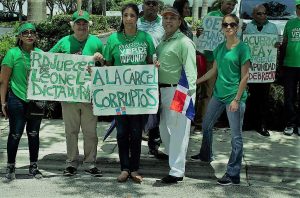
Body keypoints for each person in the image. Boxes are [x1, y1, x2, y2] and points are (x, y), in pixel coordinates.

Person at [192, 14, 251, 185]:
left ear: (237, 27)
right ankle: (205, 154)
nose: (229, 27)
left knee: (236, 137)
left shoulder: (242, 49)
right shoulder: (219, 48)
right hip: (218, 95)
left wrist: (237, 100)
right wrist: (196, 81)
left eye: (232, 24)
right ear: (222, 28)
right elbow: (213, 71)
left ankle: (233, 174)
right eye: (225, 25)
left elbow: (245, 76)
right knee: (206, 125)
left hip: (234, 97)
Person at [104, 3, 155, 183]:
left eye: (132, 15)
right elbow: (107, 66)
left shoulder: (145, 38)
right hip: (119, 96)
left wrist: (154, 66)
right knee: (121, 132)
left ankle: (134, 169)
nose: (128, 19)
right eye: (125, 15)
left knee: (136, 132)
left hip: (138, 97)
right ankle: (124, 168)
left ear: (137, 18)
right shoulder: (113, 40)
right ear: (122, 18)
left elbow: (151, 62)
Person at [49, 10, 104, 177]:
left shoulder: (96, 42)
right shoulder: (63, 42)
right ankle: (71, 162)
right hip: (69, 96)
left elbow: (106, 66)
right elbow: (48, 60)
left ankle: (90, 162)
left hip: (89, 95)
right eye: (78, 23)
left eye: (84, 23)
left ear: (89, 25)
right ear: (72, 25)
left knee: (90, 131)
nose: (81, 26)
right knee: (71, 131)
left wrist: (100, 60)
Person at [157, 7, 197, 184]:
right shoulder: (163, 41)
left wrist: (187, 97)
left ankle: (177, 171)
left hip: (179, 91)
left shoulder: (184, 42)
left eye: (172, 18)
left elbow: (190, 73)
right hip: (163, 91)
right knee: (164, 130)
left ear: (179, 22)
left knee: (179, 131)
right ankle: (173, 160)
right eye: (165, 18)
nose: (168, 21)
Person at [1, 23, 44, 179]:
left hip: (36, 101)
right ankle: (10, 167)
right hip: (16, 100)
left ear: (36, 36)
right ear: (19, 36)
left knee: (34, 134)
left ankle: (33, 167)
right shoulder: (12, 54)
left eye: (32, 32)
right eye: (25, 33)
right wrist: (3, 102)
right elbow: (3, 81)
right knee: (15, 134)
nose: (29, 35)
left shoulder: (40, 54)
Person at [193, 0, 238, 136]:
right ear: (222, 3)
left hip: (227, 62)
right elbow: (203, 39)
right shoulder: (211, 17)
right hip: (211, 61)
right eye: (228, 4)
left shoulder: (234, 20)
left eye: (233, 5)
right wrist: (200, 33)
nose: (230, 7)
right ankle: (201, 123)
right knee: (207, 92)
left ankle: (217, 121)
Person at [243, 4, 279, 136]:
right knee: (250, 96)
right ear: (253, 15)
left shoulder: (273, 27)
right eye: (259, 13)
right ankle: (248, 123)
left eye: (264, 13)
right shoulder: (247, 27)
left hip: (265, 70)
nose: (262, 16)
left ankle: (262, 125)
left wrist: (276, 45)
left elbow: (276, 45)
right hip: (251, 69)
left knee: (264, 98)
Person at [137, 0, 167, 159]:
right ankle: (136, 138)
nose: (151, 6)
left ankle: (154, 144)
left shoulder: (165, 21)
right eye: (148, 3)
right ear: (143, 5)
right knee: (139, 106)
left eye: (154, 4)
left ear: (158, 6)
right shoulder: (134, 22)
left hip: (159, 71)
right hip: (138, 73)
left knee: (156, 107)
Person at [281, 0, 300, 136]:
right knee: (289, 97)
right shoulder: (290, 23)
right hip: (289, 65)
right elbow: (284, 43)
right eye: (299, 7)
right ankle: (290, 124)